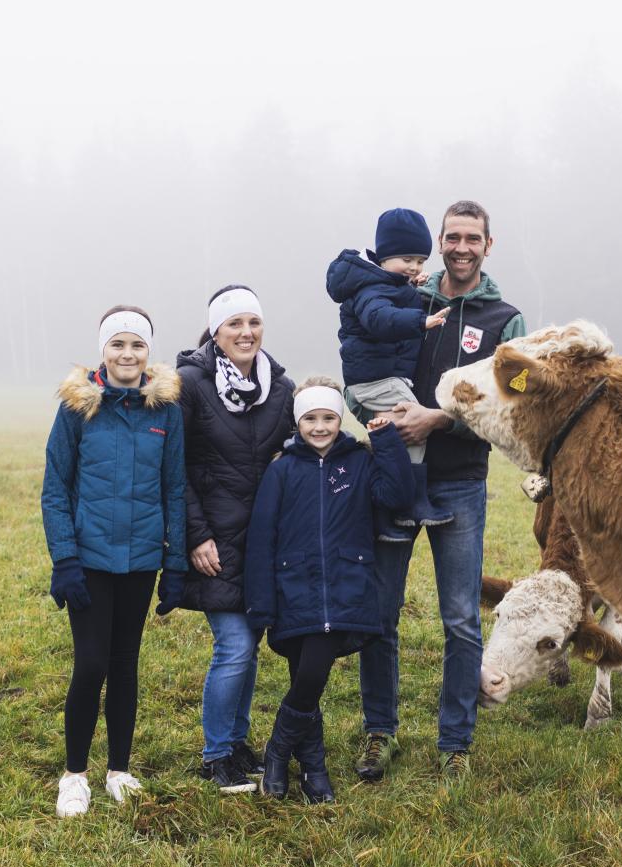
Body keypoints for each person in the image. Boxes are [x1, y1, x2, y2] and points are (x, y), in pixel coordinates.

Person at [350, 201, 527, 781]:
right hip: (392, 476)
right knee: (381, 614)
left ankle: (455, 743)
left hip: (460, 485)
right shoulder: (404, 295)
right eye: (452, 236)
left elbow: (515, 399)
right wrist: (369, 411)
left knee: (459, 619)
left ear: (488, 245)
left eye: (472, 238)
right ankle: (380, 732)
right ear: (440, 242)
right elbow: (361, 358)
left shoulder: (506, 320)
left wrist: (439, 419)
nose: (461, 247)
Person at [41, 305, 187, 818]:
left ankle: (119, 770)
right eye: (118, 345)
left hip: (142, 558)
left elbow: (174, 487)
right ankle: (74, 774)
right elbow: (55, 489)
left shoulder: (165, 411)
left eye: (137, 345)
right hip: (90, 559)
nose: (128, 354)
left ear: (149, 352)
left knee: (125, 664)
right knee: (93, 663)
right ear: (103, 350)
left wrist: (177, 563)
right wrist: (65, 559)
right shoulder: (77, 408)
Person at [244, 377, 412, 802]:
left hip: (342, 589)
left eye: (328, 418)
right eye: (311, 418)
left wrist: (386, 441)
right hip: (292, 589)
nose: (320, 427)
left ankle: (280, 751)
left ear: (340, 419)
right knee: (304, 676)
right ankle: (313, 769)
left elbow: (397, 495)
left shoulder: (357, 462)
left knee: (312, 674)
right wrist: (261, 605)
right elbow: (262, 537)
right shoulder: (282, 470)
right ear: (298, 421)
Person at [169, 285, 295, 793]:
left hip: (264, 542)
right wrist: (195, 536)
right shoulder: (189, 384)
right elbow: (171, 468)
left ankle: (238, 744)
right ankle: (216, 753)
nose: (246, 333)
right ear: (216, 333)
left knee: (251, 644)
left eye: (254, 323)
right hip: (213, 540)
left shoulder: (281, 388)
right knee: (235, 646)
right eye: (234, 324)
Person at [326, 208, 452, 542]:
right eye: (406, 259)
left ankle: (391, 511)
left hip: (379, 378)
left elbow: (396, 293)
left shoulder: (386, 282)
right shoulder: (371, 290)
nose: (414, 268)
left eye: (420, 262)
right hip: (375, 380)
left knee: (394, 439)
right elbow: (379, 319)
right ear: (384, 256)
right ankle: (411, 502)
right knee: (416, 424)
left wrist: (410, 283)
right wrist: (419, 321)